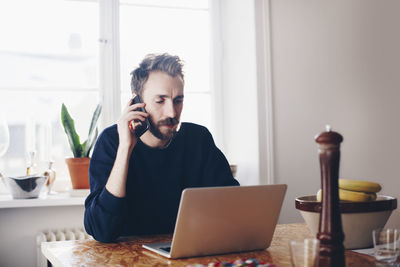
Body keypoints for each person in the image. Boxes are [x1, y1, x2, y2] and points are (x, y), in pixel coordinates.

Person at [84, 53, 239, 243]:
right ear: (137, 103)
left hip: (188, 253)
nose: (172, 112)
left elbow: (232, 207)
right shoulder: (111, 142)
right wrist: (125, 148)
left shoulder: (198, 139)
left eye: (178, 100)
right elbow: (101, 230)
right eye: (160, 101)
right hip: (128, 258)